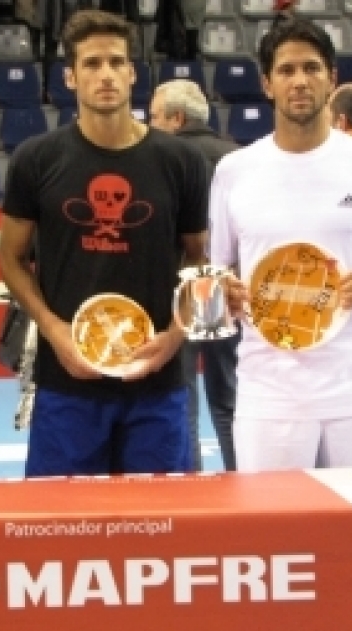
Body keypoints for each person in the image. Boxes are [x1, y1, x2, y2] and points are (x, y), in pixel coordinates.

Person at [208, 16, 352, 484]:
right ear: (267, 84)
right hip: (268, 392)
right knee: (271, 539)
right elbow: (218, 270)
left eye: (311, 68)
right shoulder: (233, 172)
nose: (300, 81)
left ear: (332, 79)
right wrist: (222, 290)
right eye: (286, 71)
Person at [0, 9, 209, 478]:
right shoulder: (37, 160)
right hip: (67, 381)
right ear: (70, 77)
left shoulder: (180, 161)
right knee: (60, 529)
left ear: (133, 73)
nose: (106, 74)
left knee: (159, 531)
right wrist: (54, 332)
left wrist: (173, 338)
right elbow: (10, 259)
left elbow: (201, 261)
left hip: (156, 381)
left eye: (116, 62)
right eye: (92, 64)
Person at [149, 79, 240, 471]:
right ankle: (243, 474)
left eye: (153, 117)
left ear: (176, 118)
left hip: (181, 287)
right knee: (230, 395)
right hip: (229, 286)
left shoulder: (159, 157)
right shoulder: (238, 157)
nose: (148, 124)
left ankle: (189, 481)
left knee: (181, 391)